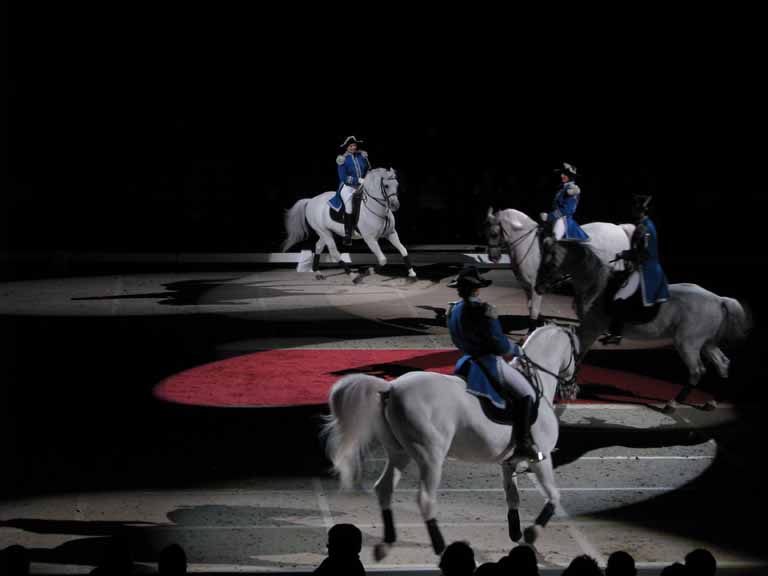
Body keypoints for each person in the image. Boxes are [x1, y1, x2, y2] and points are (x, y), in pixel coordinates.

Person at [447, 266, 544, 463]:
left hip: (466, 362)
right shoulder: (484, 310)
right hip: (488, 362)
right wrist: (517, 350)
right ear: (477, 289)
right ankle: (524, 444)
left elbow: (456, 340)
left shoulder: (452, 310)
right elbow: (499, 344)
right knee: (526, 394)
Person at [601, 194, 670, 344]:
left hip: (645, 270)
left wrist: (624, 255)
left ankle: (616, 334)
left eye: (635, 210)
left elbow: (644, 253)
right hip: (640, 267)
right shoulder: (642, 225)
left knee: (619, 297)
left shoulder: (645, 227)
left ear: (641, 211)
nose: (633, 212)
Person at [540, 162, 589, 242]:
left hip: (563, 220)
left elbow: (567, 210)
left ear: (571, 176)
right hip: (555, 219)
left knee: (552, 243)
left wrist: (549, 216)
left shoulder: (572, 189)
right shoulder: (561, 189)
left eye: (565, 174)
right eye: (562, 173)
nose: (562, 176)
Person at [336, 136, 371, 245]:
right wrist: (358, 180)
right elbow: (343, 177)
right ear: (347, 147)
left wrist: (367, 178)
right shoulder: (342, 159)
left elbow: (368, 168)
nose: (353, 147)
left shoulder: (362, 156)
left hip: (362, 184)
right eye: (350, 146)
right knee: (349, 207)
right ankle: (348, 234)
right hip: (348, 187)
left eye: (354, 145)